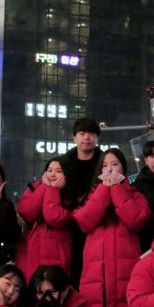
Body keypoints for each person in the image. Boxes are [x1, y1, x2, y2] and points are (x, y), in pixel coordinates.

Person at [72, 148, 150, 307]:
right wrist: (103, 191)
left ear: (123, 169)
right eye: (105, 166)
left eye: (115, 164)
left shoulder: (135, 195)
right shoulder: (90, 195)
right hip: (95, 268)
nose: (110, 169)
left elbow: (135, 220)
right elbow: (84, 221)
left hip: (127, 265)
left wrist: (116, 189)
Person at [15, 157, 77, 283]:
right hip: (29, 254)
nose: (52, 174)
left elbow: (54, 217)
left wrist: (52, 190)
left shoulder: (73, 197)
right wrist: (45, 187)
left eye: (58, 171)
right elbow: (26, 212)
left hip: (57, 256)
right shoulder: (34, 188)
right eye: (49, 170)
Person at [60, 118, 103, 283]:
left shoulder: (105, 162)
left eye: (91, 133)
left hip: (97, 225)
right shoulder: (63, 163)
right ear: (74, 138)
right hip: (69, 224)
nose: (87, 138)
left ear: (97, 138)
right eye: (82, 133)